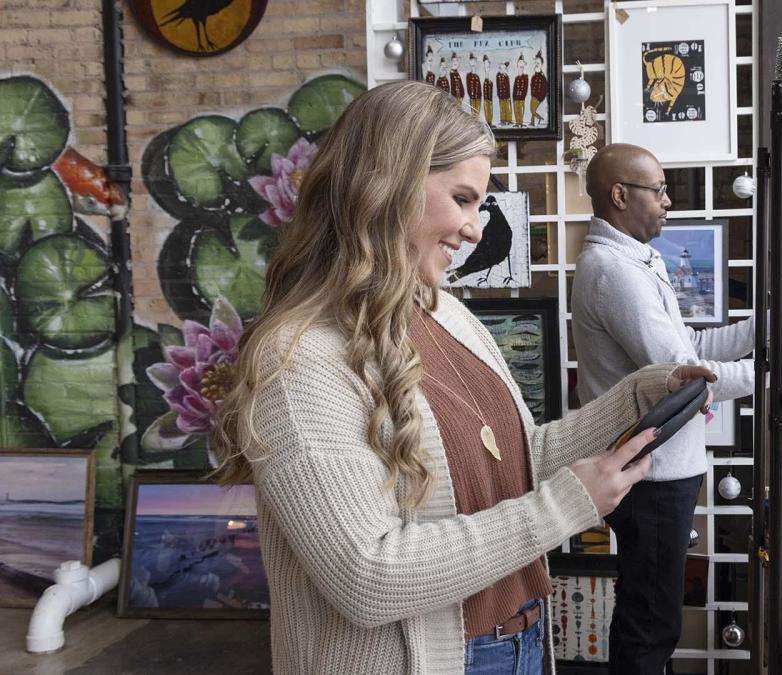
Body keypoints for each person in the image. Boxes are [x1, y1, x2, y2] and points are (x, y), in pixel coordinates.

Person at [211, 82, 714, 675]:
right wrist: (564, 508)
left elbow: (520, 459)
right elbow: (367, 577)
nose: (477, 229)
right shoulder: (298, 360)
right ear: (389, 184)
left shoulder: (445, 312)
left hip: (522, 643)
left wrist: (638, 394)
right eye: (463, 198)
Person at [570, 143, 755, 674]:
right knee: (651, 625)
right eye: (660, 190)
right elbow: (684, 376)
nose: (669, 202)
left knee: (651, 617)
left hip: (659, 471)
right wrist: (768, 378)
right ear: (621, 195)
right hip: (651, 477)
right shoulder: (614, 272)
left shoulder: (631, 261)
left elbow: (687, 346)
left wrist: (762, 330)